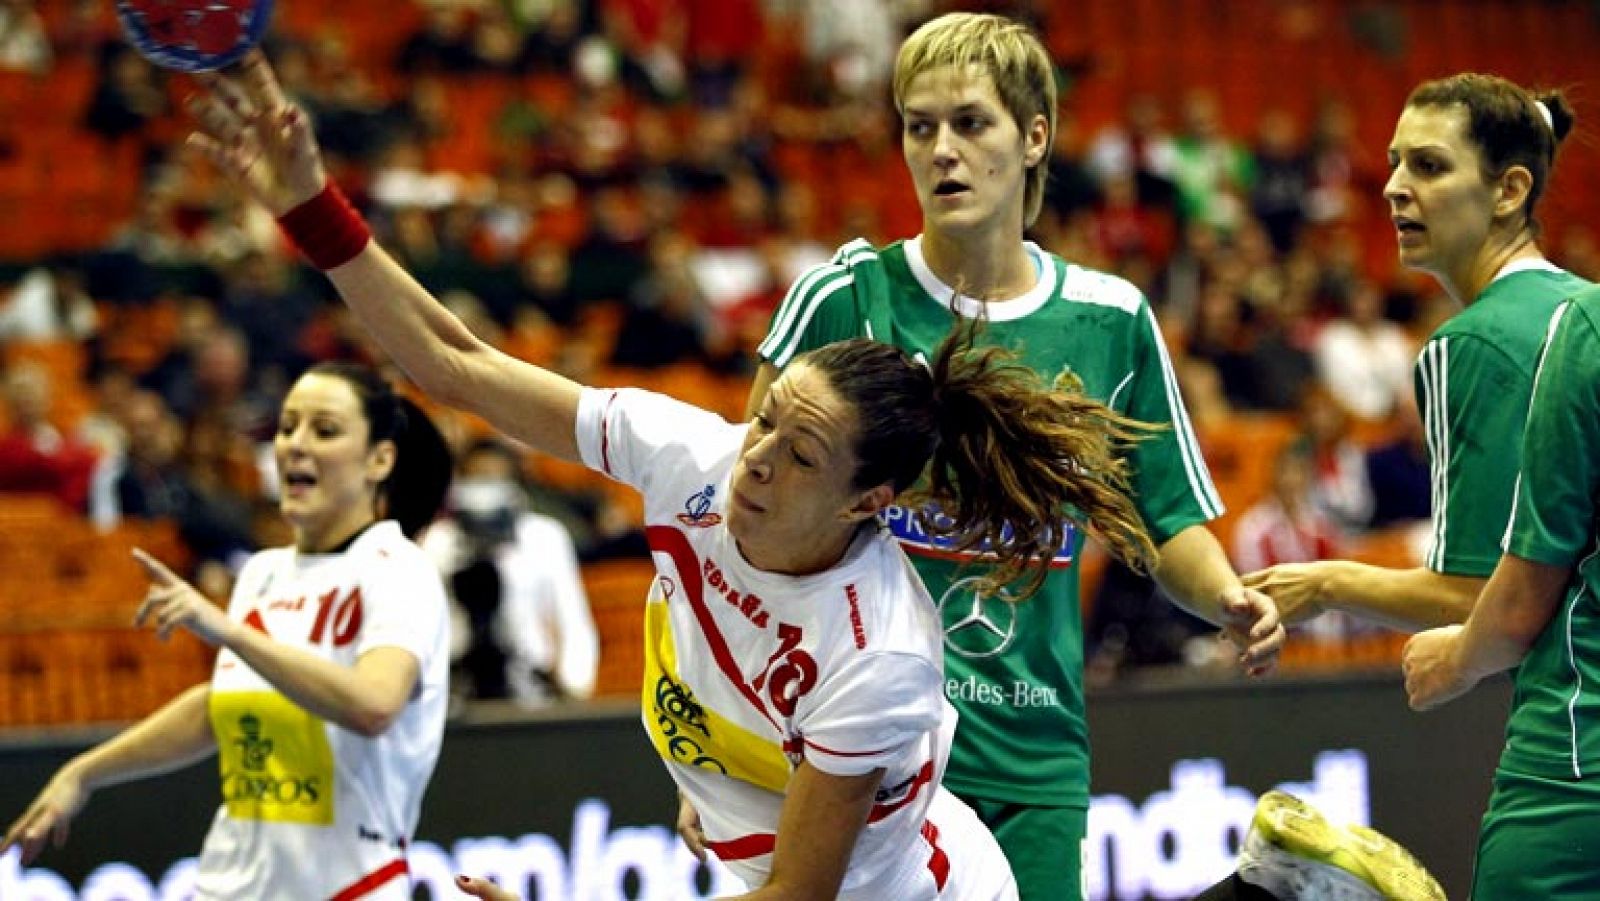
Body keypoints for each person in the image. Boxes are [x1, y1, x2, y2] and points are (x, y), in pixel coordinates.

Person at [173, 50, 1191, 900]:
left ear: (867, 503)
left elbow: (795, 899)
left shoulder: (878, 650)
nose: (755, 460)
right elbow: (457, 365)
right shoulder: (687, 454)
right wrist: (313, 208)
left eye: (797, 455)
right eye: (767, 424)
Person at [747, 13, 1283, 900]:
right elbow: (742, 517)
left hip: (1033, 764)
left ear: (1035, 137)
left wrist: (1227, 596)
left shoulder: (1111, 321)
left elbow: (1165, 518)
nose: (941, 151)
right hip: (853, 754)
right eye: (920, 127)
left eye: (969, 123)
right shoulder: (844, 295)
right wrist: (728, 746)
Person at [1203, 71, 1583, 901]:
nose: (1394, 187)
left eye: (1429, 166)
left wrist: (1326, 582)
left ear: (1510, 189)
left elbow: (1476, 596)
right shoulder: (1581, 310)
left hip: (1569, 762)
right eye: (1392, 162)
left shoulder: (1469, 345)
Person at [1, 361, 455, 899]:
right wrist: (84, 773)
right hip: (229, 885)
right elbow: (225, 704)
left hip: (347, 887)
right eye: (288, 427)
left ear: (380, 459)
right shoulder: (264, 573)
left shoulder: (397, 569)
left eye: (324, 430)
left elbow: (374, 704)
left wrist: (233, 635)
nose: (295, 445)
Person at [1403, 285, 1600, 897]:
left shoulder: (1586, 329)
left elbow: (1522, 595)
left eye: (1429, 177)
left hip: (1576, 774)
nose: (1395, 189)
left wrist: (1455, 662)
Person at [421, 438, 599, 705]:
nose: (485, 489)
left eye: (495, 478)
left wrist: (572, 683)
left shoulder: (544, 536)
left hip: (531, 684)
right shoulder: (439, 541)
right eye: (477, 478)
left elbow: (571, 615)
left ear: (515, 484)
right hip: (457, 686)